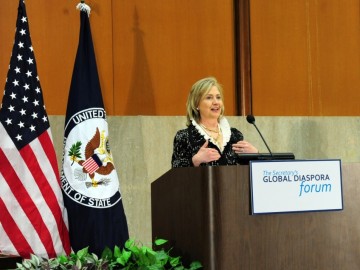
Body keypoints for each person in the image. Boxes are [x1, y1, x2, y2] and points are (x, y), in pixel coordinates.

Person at [171, 77, 258, 167]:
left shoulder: (235, 135)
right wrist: (195, 161)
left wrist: (254, 155)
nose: (216, 102)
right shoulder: (184, 136)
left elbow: (245, 169)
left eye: (218, 97)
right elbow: (175, 173)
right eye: (209, 98)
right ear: (196, 104)